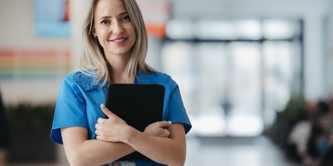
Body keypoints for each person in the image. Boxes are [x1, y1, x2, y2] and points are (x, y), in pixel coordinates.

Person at [50, 0, 192, 166]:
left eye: (125, 18)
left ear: (136, 22)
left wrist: (129, 135)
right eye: (105, 21)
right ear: (94, 30)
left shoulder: (166, 86)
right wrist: (144, 137)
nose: (117, 29)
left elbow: (177, 157)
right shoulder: (74, 87)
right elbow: (79, 158)